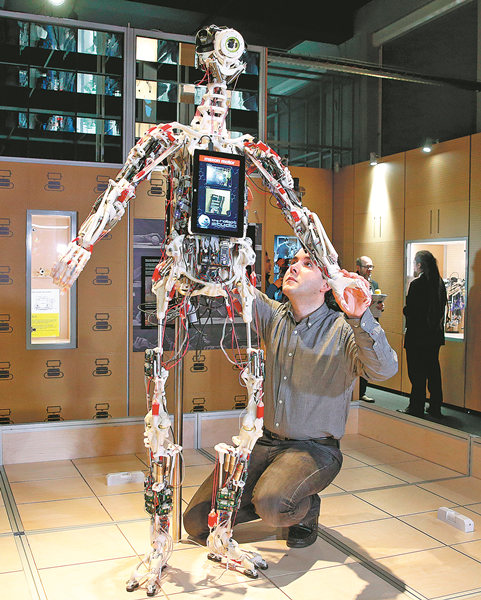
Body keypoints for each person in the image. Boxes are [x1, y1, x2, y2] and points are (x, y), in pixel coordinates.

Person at [184, 249, 398, 549]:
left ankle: (304, 508)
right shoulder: (273, 314)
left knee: (272, 503)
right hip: (266, 442)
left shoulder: (343, 331)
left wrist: (361, 318)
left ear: (327, 285)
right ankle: (268, 494)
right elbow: (233, 284)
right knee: (195, 521)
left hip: (314, 450)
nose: (294, 268)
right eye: (293, 262)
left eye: (307, 264)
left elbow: (384, 370)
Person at [398, 250, 447, 418]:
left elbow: (411, 311)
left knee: (417, 373)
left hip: (417, 336)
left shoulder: (417, 285)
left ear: (419, 265)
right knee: (433, 370)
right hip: (434, 336)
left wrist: (405, 309)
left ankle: (416, 406)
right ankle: (435, 406)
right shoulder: (439, 283)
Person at [355, 256, 384, 403]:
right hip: (357, 325)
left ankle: (362, 392)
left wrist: (379, 306)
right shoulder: (352, 281)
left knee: (367, 357)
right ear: (359, 268)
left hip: (371, 325)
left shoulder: (374, 284)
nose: (370, 270)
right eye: (367, 267)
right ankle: (354, 392)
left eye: (371, 266)